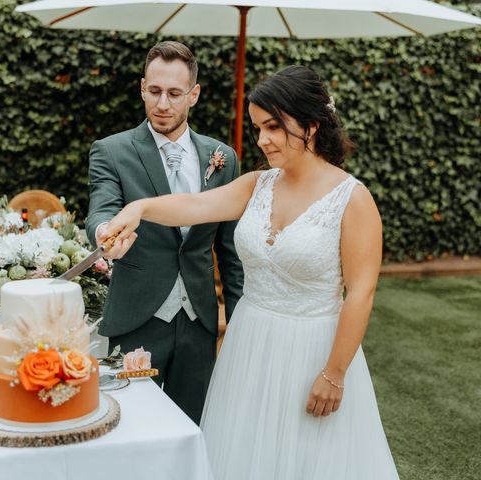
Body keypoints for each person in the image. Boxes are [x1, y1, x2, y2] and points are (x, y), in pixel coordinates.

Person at [99, 65, 399, 479]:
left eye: (274, 126)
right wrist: (141, 208)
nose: (262, 140)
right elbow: (196, 206)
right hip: (249, 345)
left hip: (312, 350)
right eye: (258, 128)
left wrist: (335, 373)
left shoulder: (353, 199)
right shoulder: (258, 183)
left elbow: (361, 294)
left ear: (311, 125)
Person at [85, 41, 244, 425]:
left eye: (174, 94)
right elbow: (102, 209)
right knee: (132, 427)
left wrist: (239, 323)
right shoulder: (111, 151)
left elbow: (232, 252)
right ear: (142, 88)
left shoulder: (222, 158)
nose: (162, 104)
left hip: (200, 323)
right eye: (154, 91)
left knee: (194, 426)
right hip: (137, 318)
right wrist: (107, 232)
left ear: (194, 95)